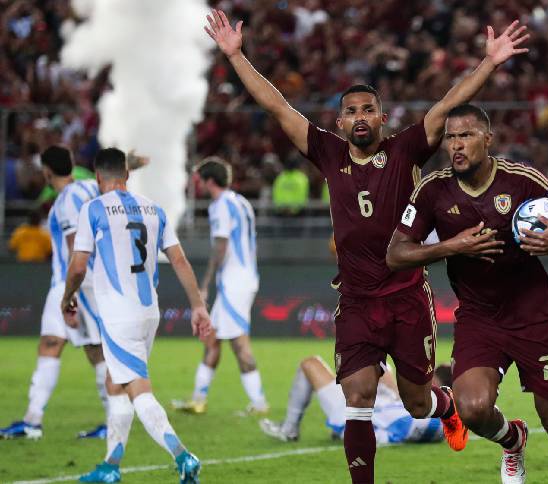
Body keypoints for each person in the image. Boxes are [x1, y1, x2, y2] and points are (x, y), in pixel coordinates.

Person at [205, 9, 529, 482]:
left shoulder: (404, 149)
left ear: (381, 117)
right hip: (356, 300)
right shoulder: (327, 152)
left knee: (419, 404)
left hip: (406, 297)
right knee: (357, 396)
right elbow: (277, 106)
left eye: (367, 110)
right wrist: (236, 56)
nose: (360, 117)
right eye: (351, 111)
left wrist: (489, 64)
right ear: (340, 121)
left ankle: (448, 407)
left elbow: (445, 105)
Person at [386, 104, 548, 484]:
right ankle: (513, 439)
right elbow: (396, 253)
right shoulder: (432, 190)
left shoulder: (522, 180)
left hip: (532, 312)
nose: (456, 145)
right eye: (450, 137)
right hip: (479, 318)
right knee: (472, 409)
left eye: (465, 135)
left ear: (487, 139)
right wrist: (453, 246)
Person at [61, 148, 212, 483]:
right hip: (148, 312)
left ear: (98, 177)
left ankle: (183, 455)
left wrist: (67, 297)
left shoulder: (93, 209)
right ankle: (110, 466)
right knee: (116, 382)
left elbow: (78, 265)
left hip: (118, 314)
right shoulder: (154, 209)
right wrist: (198, 306)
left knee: (138, 389)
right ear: (127, 175)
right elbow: (180, 261)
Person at [0, 146, 108, 440]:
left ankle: (110, 422)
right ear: (72, 164)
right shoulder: (88, 187)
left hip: (72, 281)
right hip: (84, 281)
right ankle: (32, 420)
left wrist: (69, 294)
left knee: (92, 350)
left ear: (46, 171)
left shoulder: (67, 201)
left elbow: (76, 247)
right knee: (60, 344)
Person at [172, 157, 268, 416]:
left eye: (201, 180)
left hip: (233, 282)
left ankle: (259, 404)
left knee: (239, 344)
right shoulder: (242, 203)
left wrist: (204, 285)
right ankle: (198, 399)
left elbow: (221, 245)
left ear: (210, 181)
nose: (200, 185)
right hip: (246, 278)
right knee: (212, 339)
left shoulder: (220, 205)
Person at [260, 356, 452, 445]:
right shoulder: (440, 418)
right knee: (378, 363)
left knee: (310, 364)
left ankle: (289, 429)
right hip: (380, 403)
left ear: (435, 382)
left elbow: (393, 433)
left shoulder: (430, 421)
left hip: (356, 408)